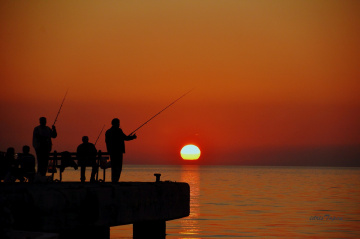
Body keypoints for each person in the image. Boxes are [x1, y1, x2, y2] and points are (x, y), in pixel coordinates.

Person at [105, 118, 137, 182]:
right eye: (118, 123)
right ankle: (116, 180)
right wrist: (133, 137)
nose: (119, 124)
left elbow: (106, 141)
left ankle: (113, 180)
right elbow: (125, 138)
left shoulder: (108, 132)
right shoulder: (118, 130)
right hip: (118, 151)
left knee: (114, 166)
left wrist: (109, 150)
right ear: (116, 123)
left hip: (111, 151)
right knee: (118, 166)